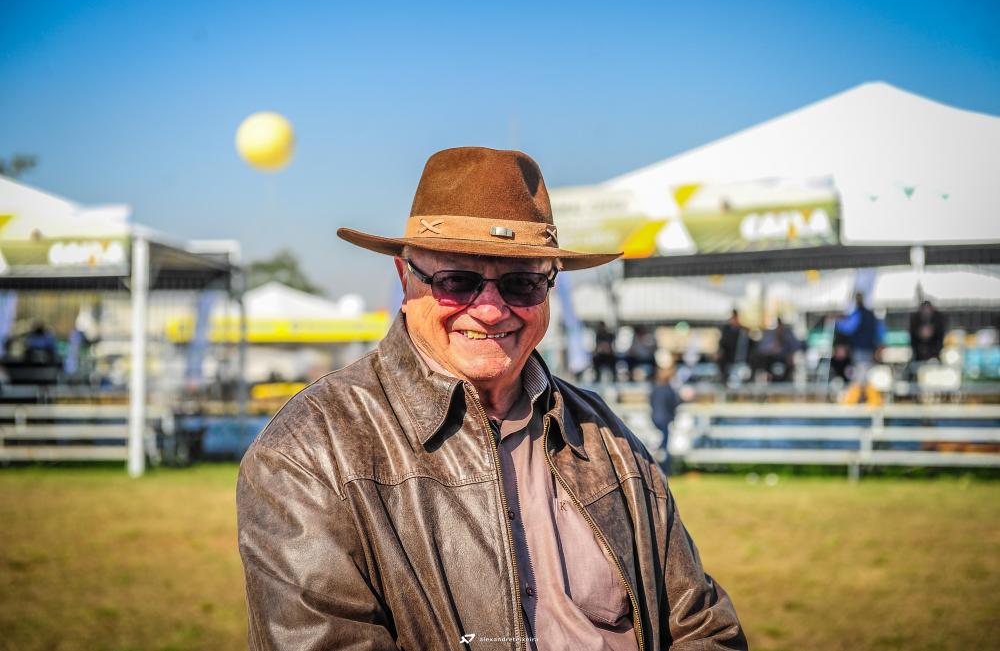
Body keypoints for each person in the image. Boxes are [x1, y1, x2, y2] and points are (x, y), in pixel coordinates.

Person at [237, 147, 746, 650]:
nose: (490, 309)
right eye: (457, 281)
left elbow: (704, 629)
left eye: (521, 284)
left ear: (548, 287)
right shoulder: (307, 452)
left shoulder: (604, 434)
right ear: (404, 278)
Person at [836, 291, 884, 386]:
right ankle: (864, 393)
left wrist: (837, 322)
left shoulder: (858, 314)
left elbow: (848, 328)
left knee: (860, 372)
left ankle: (861, 395)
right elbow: (880, 331)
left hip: (859, 348)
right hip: (870, 348)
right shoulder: (872, 314)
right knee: (867, 371)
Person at [909, 299, 947, 363]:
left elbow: (940, 336)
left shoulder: (938, 319)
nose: (926, 311)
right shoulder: (915, 319)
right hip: (918, 352)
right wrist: (920, 333)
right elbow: (912, 336)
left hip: (935, 351)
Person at [716, 309, 745, 385]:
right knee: (721, 359)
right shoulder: (726, 329)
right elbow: (722, 342)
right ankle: (724, 379)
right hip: (726, 353)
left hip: (736, 354)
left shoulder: (742, 330)